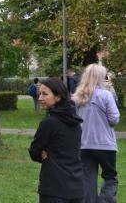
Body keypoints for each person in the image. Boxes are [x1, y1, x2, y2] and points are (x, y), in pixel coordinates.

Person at [29, 77, 84, 203]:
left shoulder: (49, 123)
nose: (40, 98)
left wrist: (41, 153)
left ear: (58, 97)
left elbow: (34, 151)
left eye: (45, 94)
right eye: (39, 94)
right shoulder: (75, 121)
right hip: (76, 187)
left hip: (54, 189)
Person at [73, 64, 120, 203]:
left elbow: (74, 120)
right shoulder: (106, 95)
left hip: (84, 145)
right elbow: (114, 119)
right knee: (110, 177)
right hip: (105, 145)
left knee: (87, 179)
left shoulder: (77, 96)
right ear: (100, 77)